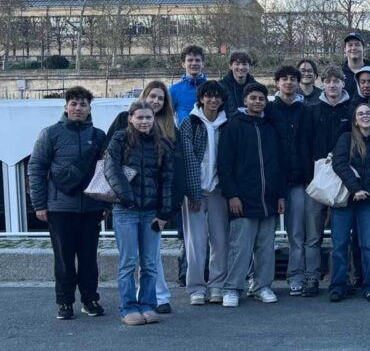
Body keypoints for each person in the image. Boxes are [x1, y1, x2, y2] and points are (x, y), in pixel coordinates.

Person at [29, 86, 107, 320]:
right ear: (66, 107)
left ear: (89, 108)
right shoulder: (50, 134)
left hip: (91, 207)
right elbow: (36, 168)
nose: (78, 108)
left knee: (89, 258)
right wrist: (39, 204)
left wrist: (106, 204)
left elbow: (106, 172)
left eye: (83, 104)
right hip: (60, 207)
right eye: (73, 103)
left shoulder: (99, 135)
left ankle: (90, 299)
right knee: (63, 259)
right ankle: (64, 303)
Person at [105, 80, 178, 313]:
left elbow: (167, 181)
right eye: (140, 117)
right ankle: (128, 307)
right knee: (127, 263)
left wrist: (164, 213)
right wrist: (126, 198)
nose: (145, 121)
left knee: (149, 264)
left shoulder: (162, 144)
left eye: (148, 118)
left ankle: (148, 305)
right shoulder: (119, 139)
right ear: (130, 118)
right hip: (126, 211)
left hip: (151, 213)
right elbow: (111, 170)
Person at [217, 83, 287, 308]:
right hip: (243, 198)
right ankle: (232, 288)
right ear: (245, 101)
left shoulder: (271, 127)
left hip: (268, 197)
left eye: (261, 99)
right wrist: (232, 195)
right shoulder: (233, 126)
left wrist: (280, 195)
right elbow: (225, 164)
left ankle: (262, 286)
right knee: (240, 246)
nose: (257, 102)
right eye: (253, 98)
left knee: (266, 246)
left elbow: (279, 163)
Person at [298, 65, 352, 297]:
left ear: (343, 84)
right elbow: (305, 145)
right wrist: (310, 177)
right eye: (328, 81)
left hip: (343, 180)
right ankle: (311, 278)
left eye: (336, 81)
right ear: (323, 84)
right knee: (313, 235)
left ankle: (344, 277)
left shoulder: (351, 110)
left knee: (343, 235)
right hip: (317, 180)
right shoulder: (311, 110)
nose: (332, 85)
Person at [329, 103, 370, 303]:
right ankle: (338, 285)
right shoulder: (346, 139)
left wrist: (369, 192)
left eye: (368, 113)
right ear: (355, 119)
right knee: (340, 244)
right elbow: (339, 164)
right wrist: (356, 189)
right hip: (345, 198)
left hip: (368, 200)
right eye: (360, 114)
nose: (365, 116)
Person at [179, 81, 230, 306]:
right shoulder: (189, 123)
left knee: (220, 241)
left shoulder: (228, 123)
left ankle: (217, 284)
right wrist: (193, 191)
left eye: (217, 97)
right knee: (195, 243)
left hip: (219, 191)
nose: (213, 100)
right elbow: (188, 159)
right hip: (195, 191)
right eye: (209, 96)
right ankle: (197, 287)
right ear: (201, 99)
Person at [267, 65, 310, 298]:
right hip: (271, 181)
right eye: (284, 79)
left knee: (296, 233)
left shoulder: (305, 110)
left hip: (297, 180)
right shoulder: (269, 110)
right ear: (277, 83)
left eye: (293, 79)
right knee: (265, 235)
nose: (289, 83)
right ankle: (261, 278)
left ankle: (296, 277)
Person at [169, 44, 208, 123]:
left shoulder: (212, 88)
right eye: (190, 60)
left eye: (197, 60)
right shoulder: (174, 90)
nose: (194, 63)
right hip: (183, 134)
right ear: (183, 64)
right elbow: (166, 117)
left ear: (203, 63)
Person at [219, 50, 257, 118]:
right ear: (230, 66)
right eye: (237, 64)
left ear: (249, 66)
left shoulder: (257, 87)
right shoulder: (220, 87)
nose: (241, 67)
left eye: (244, 64)